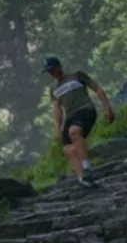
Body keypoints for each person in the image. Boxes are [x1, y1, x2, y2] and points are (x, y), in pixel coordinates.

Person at [42, 56, 115, 188]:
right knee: (68, 149)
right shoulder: (53, 89)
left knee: (74, 132)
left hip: (85, 109)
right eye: (48, 71)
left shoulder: (77, 75)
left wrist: (107, 108)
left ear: (59, 66)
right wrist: (57, 129)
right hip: (70, 116)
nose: (51, 73)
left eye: (52, 69)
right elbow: (57, 109)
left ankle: (87, 169)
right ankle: (84, 180)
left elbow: (97, 88)